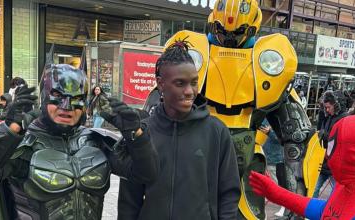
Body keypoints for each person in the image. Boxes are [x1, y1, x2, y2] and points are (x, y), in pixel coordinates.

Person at [142, 0, 323, 218]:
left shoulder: (267, 60)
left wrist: (297, 203)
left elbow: (298, 137)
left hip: (245, 162)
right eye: (221, 31)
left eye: (238, 31)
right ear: (213, 25)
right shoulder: (192, 57)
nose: (229, 38)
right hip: (190, 162)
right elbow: (154, 117)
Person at [0, 61, 158, 219]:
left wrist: (136, 135)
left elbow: (146, 174)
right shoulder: (24, 144)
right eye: (57, 95)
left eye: (76, 98)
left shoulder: (95, 141)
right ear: (44, 96)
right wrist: (9, 131)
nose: (67, 107)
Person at [118, 41, 240, 220]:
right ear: (160, 84)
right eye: (180, 83)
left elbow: (229, 193)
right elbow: (129, 198)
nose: (190, 91)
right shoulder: (142, 133)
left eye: (194, 82)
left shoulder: (217, 132)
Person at [249, 115, 355, 219]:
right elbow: (327, 210)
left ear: (352, 155)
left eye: (331, 148)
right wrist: (277, 194)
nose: (326, 156)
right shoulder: (347, 184)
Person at [314, 90, 348, 198]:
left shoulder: (344, 119)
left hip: (336, 162)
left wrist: (325, 135)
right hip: (325, 160)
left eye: (329, 107)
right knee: (314, 188)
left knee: (335, 193)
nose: (327, 110)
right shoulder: (329, 116)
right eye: (326, 107)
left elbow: (341, 140)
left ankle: (331, 212)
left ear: (336, 105)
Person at [259, 119, 289, 217]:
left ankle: (284, 206)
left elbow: (281, 139)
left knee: (278, 184)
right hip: (264, 155)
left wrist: (269, 132)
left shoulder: (278, 120)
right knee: (264, 180)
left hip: (276, 159)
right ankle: (265, 197)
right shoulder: (264, 119)